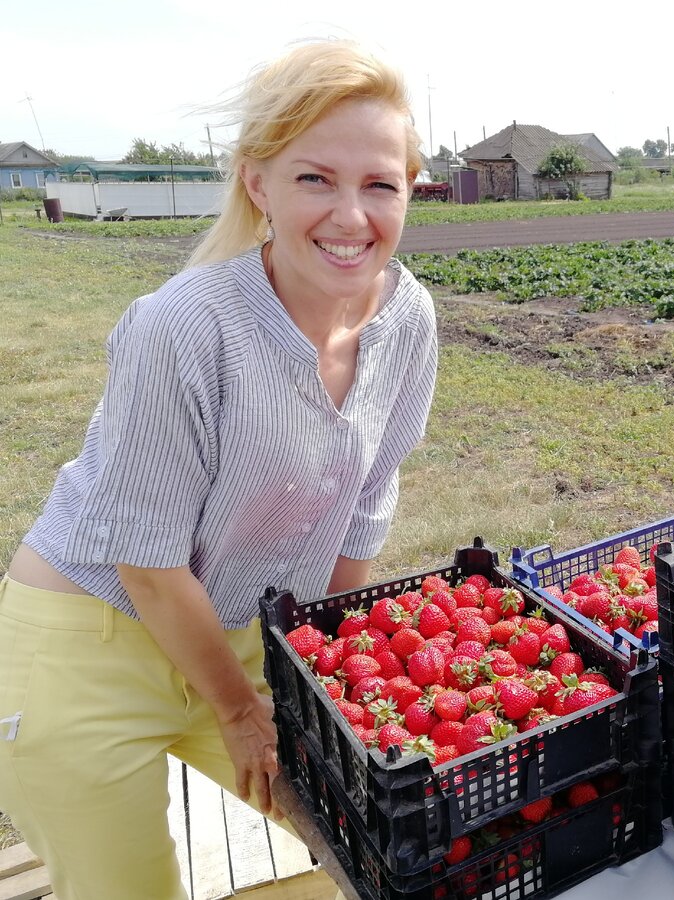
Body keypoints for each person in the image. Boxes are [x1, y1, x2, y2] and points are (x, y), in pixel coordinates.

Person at [0, 38, 438, 899]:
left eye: (379, 184)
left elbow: (362, 512)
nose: (352, 216)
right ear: (257, 183)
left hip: (244, 633)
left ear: (408, 190)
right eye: (315, 178)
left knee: (378, 855)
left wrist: (327, 669)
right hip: (90, 644)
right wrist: (241, 713)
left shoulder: (410, 319)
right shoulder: (183, 328)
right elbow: (148, 562)